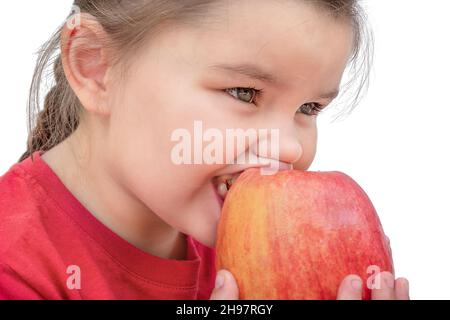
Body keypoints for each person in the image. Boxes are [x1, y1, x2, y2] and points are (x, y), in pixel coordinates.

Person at [0, 0, 409, 299]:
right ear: (95, 67)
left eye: (309, 108)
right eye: (244, 92)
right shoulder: (13, 269)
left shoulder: (260, 251)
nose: (290, 148)